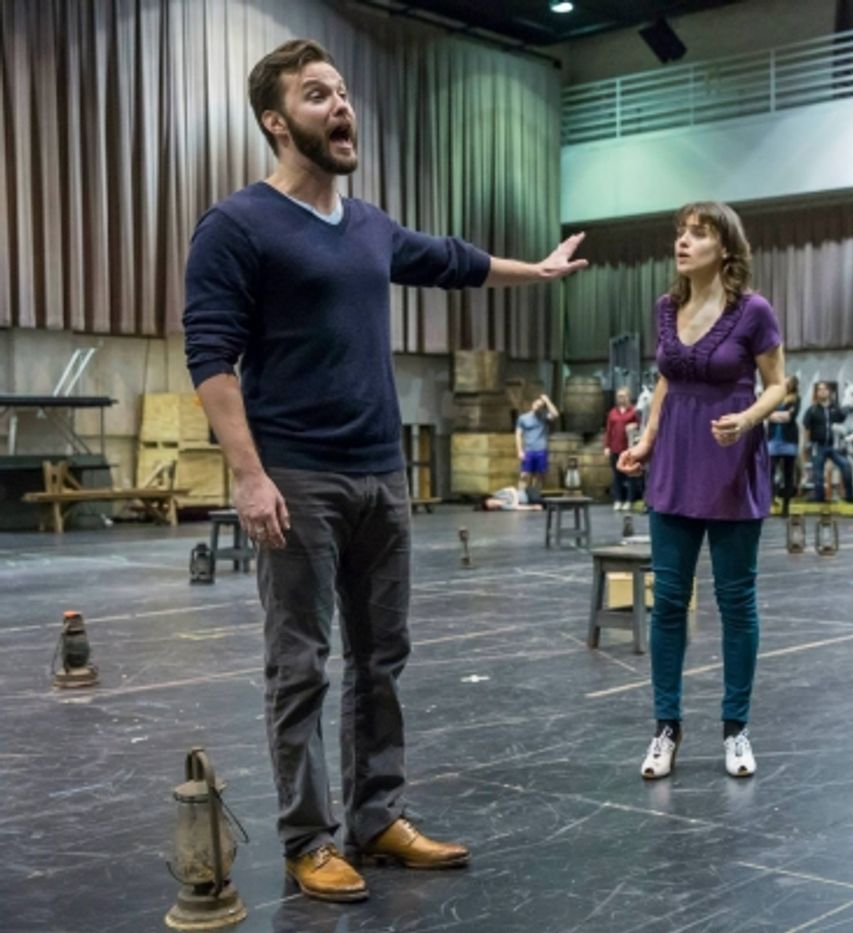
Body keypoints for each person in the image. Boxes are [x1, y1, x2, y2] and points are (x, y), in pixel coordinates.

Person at [182, 39, 587, 903]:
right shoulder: (237, 226)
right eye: (317, 94)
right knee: (302, 665)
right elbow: (211, 361)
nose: (341, 107)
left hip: (381, 473)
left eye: (343, 93)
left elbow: (452, 260)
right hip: (297, 475)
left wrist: (541, 270)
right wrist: (250, 478)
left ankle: (378, 816)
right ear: (275, 120)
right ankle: (306, 836)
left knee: (382, 659)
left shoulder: (368, 226)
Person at [617, 201, 785, 781]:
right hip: (674, 464)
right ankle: (666, 727)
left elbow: (779, 384)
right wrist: (646, 440)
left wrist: (748, 420)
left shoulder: (753, 311)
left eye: (699, 234)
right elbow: (667, 378)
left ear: (726, 249)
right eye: (680, 233)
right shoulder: (668, 307)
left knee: (736, 602)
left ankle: (736, 728)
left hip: (732, 458)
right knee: (668, 601)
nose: (683, 243)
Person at [802, 382, 853, 502]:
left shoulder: (836, 408)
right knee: (818, 473)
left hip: (834, 446)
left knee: (846, 466)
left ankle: (850, 497)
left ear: (829, 392)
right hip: (818, 445)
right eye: (819, 389)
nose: (822, 391)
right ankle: (819, 498)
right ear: (816, 393)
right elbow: (806, 428)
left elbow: (845, 421)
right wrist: (807, 444)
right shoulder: (812, 410)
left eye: (825, 389)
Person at [766, 376, 801, 516]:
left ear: (793, 385)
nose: (785, 383)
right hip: (773, 439)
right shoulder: (773, 397)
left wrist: (775, 415)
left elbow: (790, 417)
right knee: (769, 473)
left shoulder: (796, 399)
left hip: (789, 441)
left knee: (788, 475)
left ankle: (785, 508)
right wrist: (780, 415)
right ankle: (768, 504)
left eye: (788, 382)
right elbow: (767, 414)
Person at [605, 387, 642, 511]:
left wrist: (635, 425)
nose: (621, 398)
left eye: (624, 396)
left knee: (630, 476)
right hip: (615, 448)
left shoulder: (634, 411)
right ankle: (618, 500)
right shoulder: (612, 412)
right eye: (619, 396)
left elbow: (642, 426)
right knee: (617, 477)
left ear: (628, 397)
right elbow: (609, 430)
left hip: (629, 448)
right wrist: (607, 446)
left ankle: (629, 500)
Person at [516, 394, 558, 496]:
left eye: (540, 406)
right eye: (536, 404)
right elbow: (518, 435)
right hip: (528, 450)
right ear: (533, 404)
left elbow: (555, 414)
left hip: (541, 450)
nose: (537, 407)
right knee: (524, 475)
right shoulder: (523, 418)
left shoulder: (544, 416)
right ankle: (520, 497)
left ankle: (534, 496)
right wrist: (520, 450)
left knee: (538, 476)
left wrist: (547, 401)